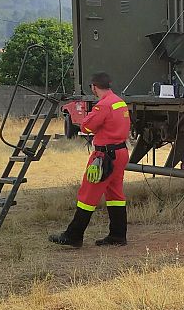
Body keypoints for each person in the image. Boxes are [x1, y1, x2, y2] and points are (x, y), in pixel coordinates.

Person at [49, 72, 130, 247]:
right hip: (121, 152)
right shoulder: (119, 102)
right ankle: (118, 235)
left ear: (94, 87)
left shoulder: (103, 106)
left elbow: (86, 126)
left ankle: (73, 235)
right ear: (109, 84)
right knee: (115, 193)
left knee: (88, 193)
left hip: (104, 156)